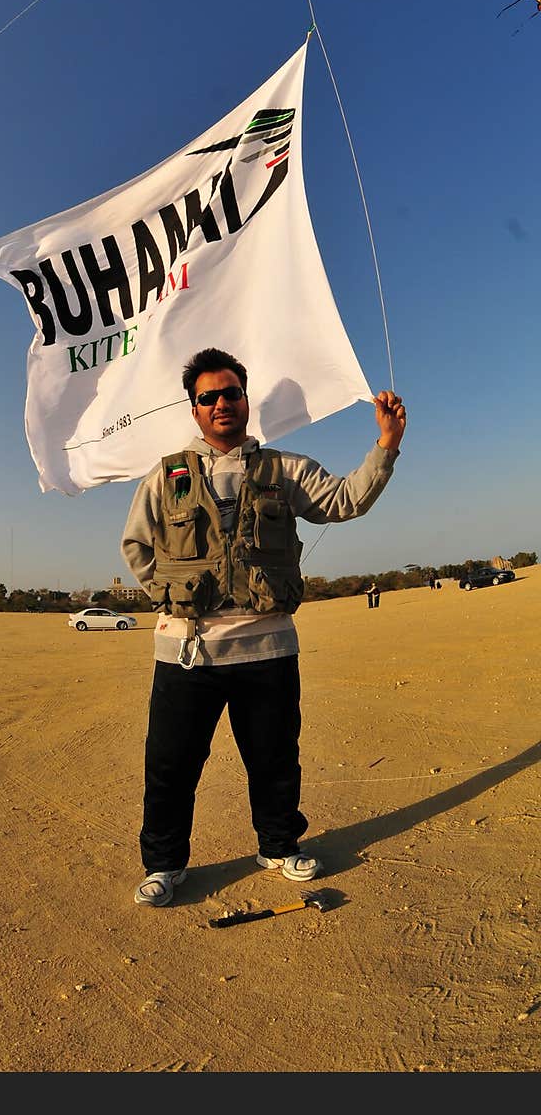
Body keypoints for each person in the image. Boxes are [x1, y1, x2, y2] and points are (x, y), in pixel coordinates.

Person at [121, 346, 406, 907]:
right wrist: (173, 593)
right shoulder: (167, 476)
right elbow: (136, 545)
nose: (222, 403)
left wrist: (386, 446)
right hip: (187, 653)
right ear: (195, 409)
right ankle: (164, 865)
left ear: (246, 400)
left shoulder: (286, 470)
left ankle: (278, 845)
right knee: (171, 766)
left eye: (232, 392)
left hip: (268, 649)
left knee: (275, 758)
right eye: (209, 396)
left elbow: (347, 499)